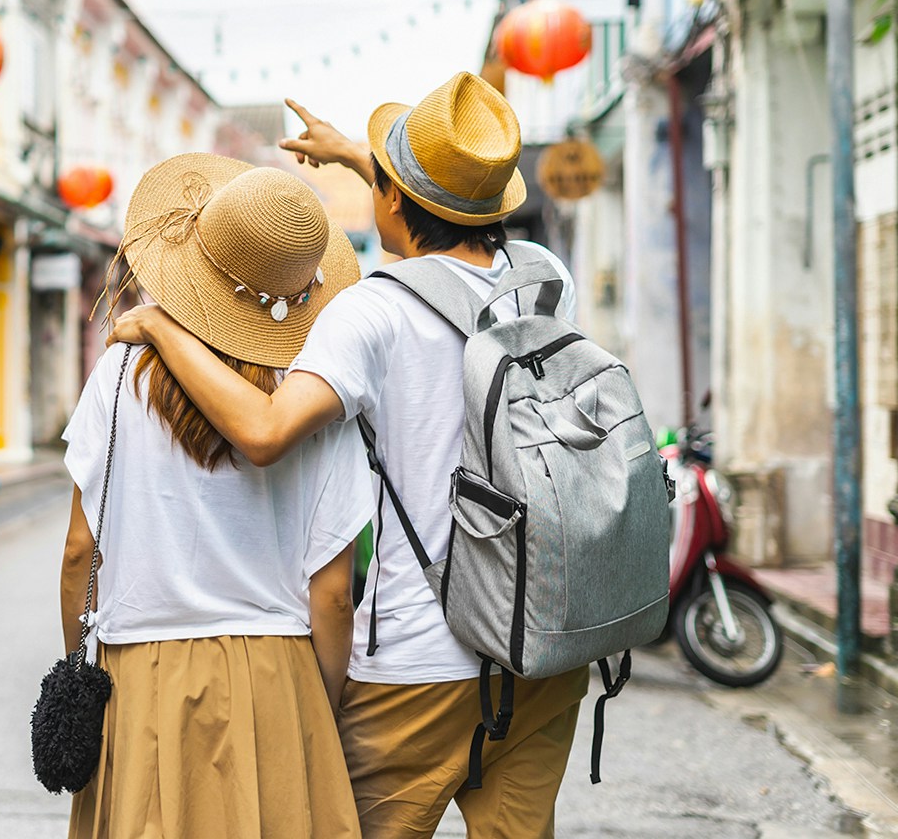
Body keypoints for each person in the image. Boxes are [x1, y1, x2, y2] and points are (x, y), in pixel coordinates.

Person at [110, 74, 590, 839]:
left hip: (417, 663)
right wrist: (367, 163)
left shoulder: (371, 310)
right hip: (542, 651)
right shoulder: (543, 280)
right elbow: (448, 229)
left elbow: (266, 432)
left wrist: (165, 329)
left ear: (393, 200)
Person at [61, 154, 370, 839]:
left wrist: (76, 663)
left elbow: (82, 549)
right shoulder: (313, 396)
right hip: (277, 672)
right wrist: (320, 703)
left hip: (140, 666)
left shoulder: (119, 374)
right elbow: (332, 593)